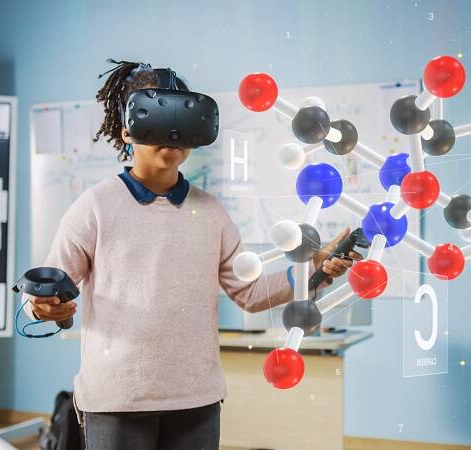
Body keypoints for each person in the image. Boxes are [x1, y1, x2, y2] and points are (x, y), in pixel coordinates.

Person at [25, 59, 359, 450]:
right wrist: (45, 306)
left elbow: (250, 294)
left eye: (179, 119)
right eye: (154, 115)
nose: (170, 133)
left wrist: (312, 269)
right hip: (116, 399)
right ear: (127, 130)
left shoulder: (211, 212)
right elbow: (49, 288)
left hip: (196, 400)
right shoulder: (94, 206)